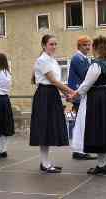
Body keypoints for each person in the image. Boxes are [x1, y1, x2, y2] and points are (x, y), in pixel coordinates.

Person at [70, 36, 106, 175]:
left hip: (97, 99)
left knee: (98, 130)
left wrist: (75, 95)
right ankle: (104, 163)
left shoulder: (97, 64)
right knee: (105, 130)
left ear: (95, 48)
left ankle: (101, 165)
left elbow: (86, 84)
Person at [30, 34, 73, 173]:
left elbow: (55, 83)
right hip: (44, 95)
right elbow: (53, 81)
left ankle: (46, 162)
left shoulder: (52, 60)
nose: (54, 47)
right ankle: (45, 163)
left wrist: (66, 94)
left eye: (55, 44)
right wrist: (72, 91)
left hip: (51, 94)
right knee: (45, 129)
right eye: (51, 44)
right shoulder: (42, 60)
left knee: (48, 129)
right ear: (44, 45)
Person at [67, 36, 97, 160]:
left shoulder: (85, 58)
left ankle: (81, 149)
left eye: (89, 45)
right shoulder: (77, 58)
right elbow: (86, 74)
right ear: (79, 46)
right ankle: (79, 150)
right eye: (85, 45)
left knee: (82, 122)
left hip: (81, 94)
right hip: (78, 94)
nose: (88, 47)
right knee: (81, 123)